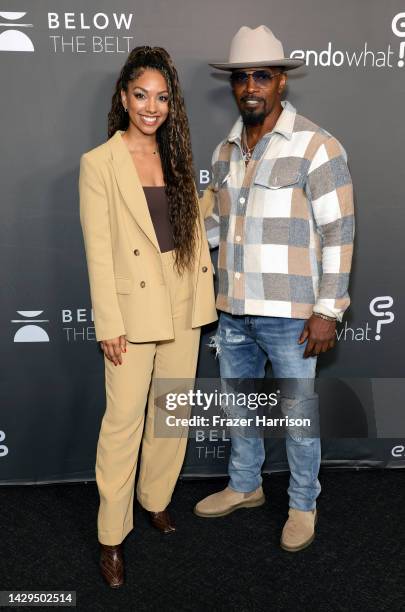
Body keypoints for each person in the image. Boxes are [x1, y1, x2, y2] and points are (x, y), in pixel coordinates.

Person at [194, 26, 355, 552]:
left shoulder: (317, 144)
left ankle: (303, 503)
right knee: (240, 407)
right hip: (233, 310)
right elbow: (218, 227)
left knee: (298, 417)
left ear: (281, 82)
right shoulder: (224, 151)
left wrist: (328, 309)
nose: (250, 86)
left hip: (291, 313)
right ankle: (245, 486)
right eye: (241, 77)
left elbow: (339, 232)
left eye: (262, 75)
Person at [79, 46, 217, 588]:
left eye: (161, 97)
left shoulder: (176, 156)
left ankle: (154, 499)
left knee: (171, 415)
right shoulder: (99, 163)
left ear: (171, 104)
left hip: (183, 299)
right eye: (141, 95)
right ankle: (111, 535)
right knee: (122, 424)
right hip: (131, 312)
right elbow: (98, 248)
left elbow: (181, 226)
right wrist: (107, 321)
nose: (151, 107)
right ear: (123, 97)